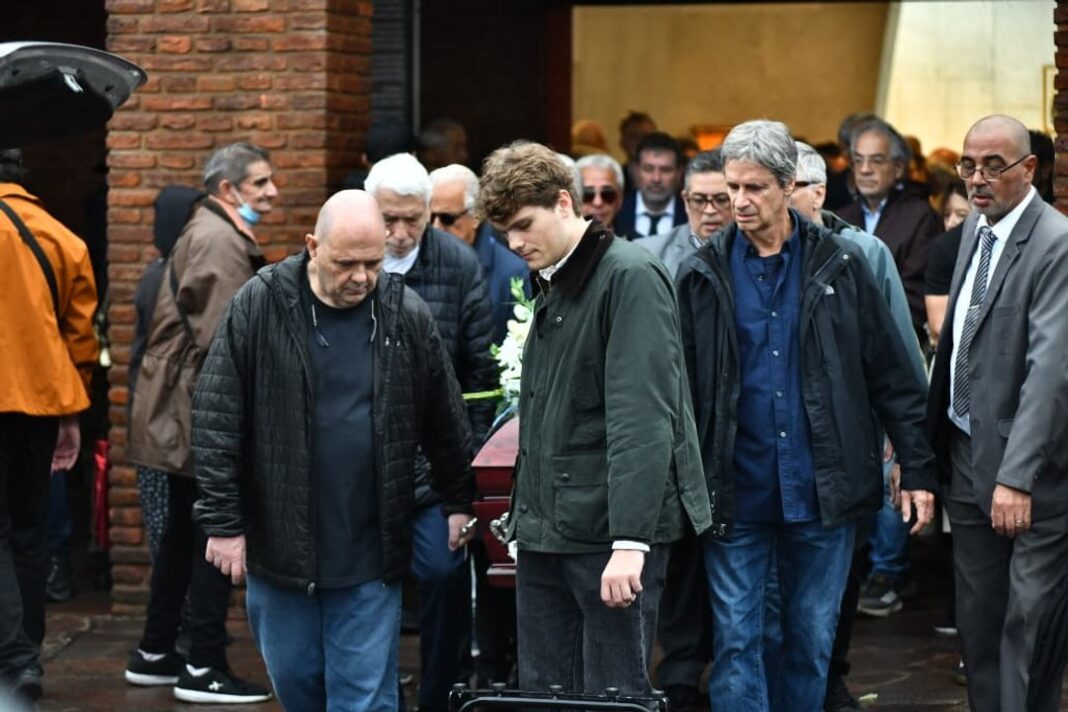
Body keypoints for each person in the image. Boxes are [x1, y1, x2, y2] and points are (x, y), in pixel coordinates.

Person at [675, 120, 937, 712]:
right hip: (734, 489)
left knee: (810, 642)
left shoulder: (842, 264)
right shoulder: (701, 272)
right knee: (738, 643)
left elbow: (891, 371)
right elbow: (679, 388)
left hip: (824, 488)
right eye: (732, 187)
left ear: (788, 185)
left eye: (754, 188)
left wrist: (918, 467)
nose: (739, 201)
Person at [192, 189, 476, 710]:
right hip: (281, 545)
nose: (362, 278)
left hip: (370, 544)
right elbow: (217, 417)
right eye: (347, 264)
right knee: (297, 681)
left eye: (374, 263)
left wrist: (458, 500)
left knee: (362, 696)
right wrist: (223, 523)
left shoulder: (402, 311)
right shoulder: (262, 303)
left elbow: (444, 414)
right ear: (313, 246)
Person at [478, 140, 712, 697]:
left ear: (564, 202)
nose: (515, 243)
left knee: (613, 696)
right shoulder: (559, 275)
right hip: (551, 529)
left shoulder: (629, 275)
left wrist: (630, 541)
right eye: (505, 232)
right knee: (546, 695)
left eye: (524, 225)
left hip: (607, 532)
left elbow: (643, 417)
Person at [124, 143, 276, 704]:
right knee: (215, 531)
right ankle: (203, 665)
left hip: (176, 407)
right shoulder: (218, 238)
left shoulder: (211, 231)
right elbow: (227, 340)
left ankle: (156, 651)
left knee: (181, 536)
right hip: (195, 411)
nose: (272, 192)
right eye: (260, 182)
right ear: (228, 189)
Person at [927, 114, 1068, 712]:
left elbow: (1051, 372)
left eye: (993, 165)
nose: (977, 178)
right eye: (968, 165)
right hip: (966, 458)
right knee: (979, 626)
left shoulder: (1057, 243)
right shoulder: (973, 231)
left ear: (1029, 168)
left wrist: (1017, 477)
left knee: (1026, 631)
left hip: (1031, 475)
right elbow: (958, 344)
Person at [789, 141, 927, 711]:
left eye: (787, 185)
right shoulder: (745, 253)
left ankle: (830, 676)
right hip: (777, 447)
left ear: (818, 192)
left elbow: (898, 355)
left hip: (849, 445)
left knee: (841, 571)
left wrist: (902, 447)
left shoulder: (863, 252)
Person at [365, 153, 495, 712]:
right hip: (361, 465)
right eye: (388, 219)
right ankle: (377, 693)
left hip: (434, 464)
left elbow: (480, 374)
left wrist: (464, 479)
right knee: (367, 587)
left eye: (411, 220)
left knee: (443, 574)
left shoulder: (458, 264)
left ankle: (439, 694)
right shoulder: (352, 257)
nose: (399, 233)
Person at [0, 153, 98, 704]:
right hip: (39, 403)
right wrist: (71, 410)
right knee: (30, 529)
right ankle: (28, 652)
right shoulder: (61, 238)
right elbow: (80, 335)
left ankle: (14, 656)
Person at [129, 185, 205, 560]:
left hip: (158, 416)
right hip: (166, 417)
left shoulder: (160, 273)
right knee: (177, 534)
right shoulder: (166, 277)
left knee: (174, 536)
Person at [429, 164, 529, 345]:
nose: (436, 227)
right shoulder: (417, 261)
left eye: (447, 219)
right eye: (430, 218)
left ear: (476, 215)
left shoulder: (513, 274)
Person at [636, 148, 730, 278]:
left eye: (721, 200)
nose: (710, 211)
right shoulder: (647, 255)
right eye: (699, 200)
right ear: (686, 201)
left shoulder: (756, 250)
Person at [615, 132, 687, 239]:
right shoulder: (616, 212)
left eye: (666, 170)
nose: (656, 178)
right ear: (635, 171)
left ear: (679, 173)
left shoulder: (691, 216)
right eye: (648, 169)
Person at [576, 153, 625, 230]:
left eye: (607, 194)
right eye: (587, 194)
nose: (598, 202)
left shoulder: (635, 238)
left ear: (619, 200)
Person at [618, 110, 657, 193]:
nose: (640, 142)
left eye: (646, 137)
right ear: (622, 142)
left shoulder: (670, 179)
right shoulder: (614, 179)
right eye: (634, 137)